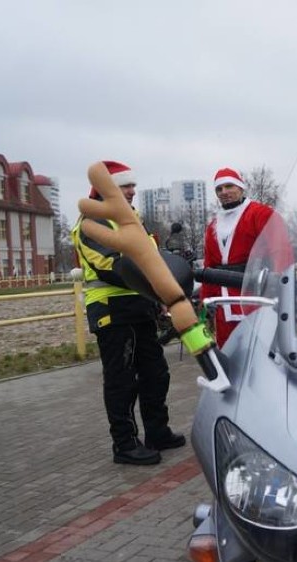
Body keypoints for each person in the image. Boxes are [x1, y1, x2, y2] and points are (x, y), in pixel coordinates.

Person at [71, 160, 184, 466]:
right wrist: (155, 281)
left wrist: (163, 287)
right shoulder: (91, 224)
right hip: (111, 311)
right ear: (105, 189)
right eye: (125, 186)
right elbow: (110, 266)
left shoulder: (131, 220)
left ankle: (157, 432)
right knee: (122, 380)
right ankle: (125, 444)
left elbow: (152, 259)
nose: (133, 191)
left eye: (133, 186)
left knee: (155, 373)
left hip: (140, 308)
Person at [201, 167, 277, 348]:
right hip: (224, 304)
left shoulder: (261, 214)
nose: (224, 192)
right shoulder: (213, 225)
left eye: (229, 186)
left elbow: (280, 251)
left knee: (260, 351)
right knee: (229, 353)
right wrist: (206, 303)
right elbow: (209, 267)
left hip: (255, 298)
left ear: (241, 188)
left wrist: (279, 287)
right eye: (219, 189)